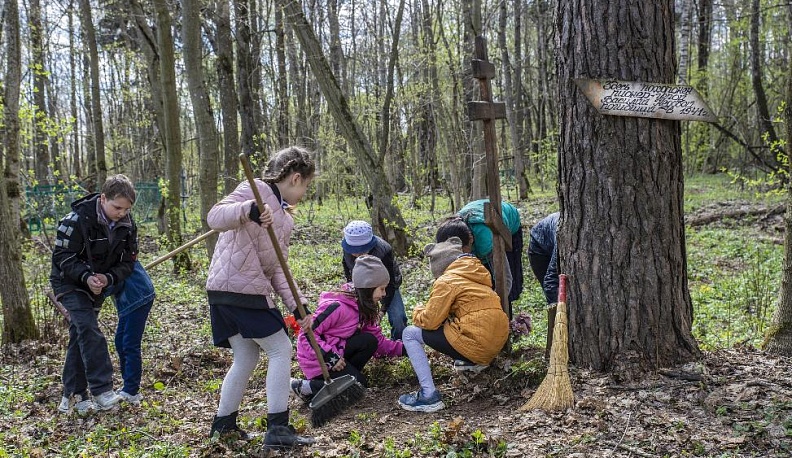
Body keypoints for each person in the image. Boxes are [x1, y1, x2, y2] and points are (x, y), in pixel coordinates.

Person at [205, 146, 316, 448]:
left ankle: (223, 425)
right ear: (295, 178)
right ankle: (278, 429)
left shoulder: (284, 218)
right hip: (238, 289)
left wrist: (298, 305)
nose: (304, 193)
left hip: (232, 291)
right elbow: (214, 216)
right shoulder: (252, 190)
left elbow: (278, 268)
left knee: (247, 356)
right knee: (280, 349)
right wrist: (248, 211)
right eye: (306, 186)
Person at [52, 174, 139, 414]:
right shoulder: (76, 220)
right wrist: (86, 276)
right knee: (89, 330)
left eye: (126, 209)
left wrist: (108, 278)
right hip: (69, 283)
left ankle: (73, 396)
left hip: (98, 285)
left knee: (79, 335)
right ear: (103, 199)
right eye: (117, 207)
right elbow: (62, 257)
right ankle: (102, 390)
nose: (121, 213)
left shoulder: (128, 226)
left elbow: (128, 262)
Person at [398, 237, 509, 412]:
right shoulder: (477, 274)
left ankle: (429, 396)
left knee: (409, 333)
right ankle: (472, 363)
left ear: (438, 267)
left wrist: (417, 310)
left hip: (477, 343)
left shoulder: (447, 281)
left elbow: (429, 321)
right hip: (494, 344)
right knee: (456, 322)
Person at [291, 255, 404, 401]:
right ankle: (307, 386)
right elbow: (307, 335)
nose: (384, 294)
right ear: (368, 287)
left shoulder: (364, 307)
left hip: (339, 352)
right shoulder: (337, 307)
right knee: (359, 386)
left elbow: (377, 341)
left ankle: (347, 378)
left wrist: (404, 349)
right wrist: (330, 357)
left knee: (369, 340)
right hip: (318, 361)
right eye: (381, 289)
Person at [436, 199, 524, 317]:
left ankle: (507, 323)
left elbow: (505, 278)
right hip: (478, 214)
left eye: (461, 251)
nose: (458, 258)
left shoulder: (486, 240)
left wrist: (492, 305)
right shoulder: (447, 236)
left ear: (470, 240)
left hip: (508, 224)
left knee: (506, 287)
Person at [340, 220, 407, 340]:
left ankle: (399, 344)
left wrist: (382, 311)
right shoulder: (347, 250)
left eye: (361, 250)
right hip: (362, 286)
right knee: (359, 318)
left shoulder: (383, 250)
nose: (356, 254)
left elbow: (390, 283)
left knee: (398, 318)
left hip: (387, 285)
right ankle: (366, 343)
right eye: (353, 250)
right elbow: (347, 268)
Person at [112, 260, 155, 405]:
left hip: (138, 296)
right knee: (120, 342)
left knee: (130, 343)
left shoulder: (112, 248)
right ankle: (128, 386)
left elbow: (112, 281)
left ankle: (131, 391)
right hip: (127, 301)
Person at [527, 212, 559, 358]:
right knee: (554, 295)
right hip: (539, 246)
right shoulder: (563, 236)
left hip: (551, 237)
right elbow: (550, 282)